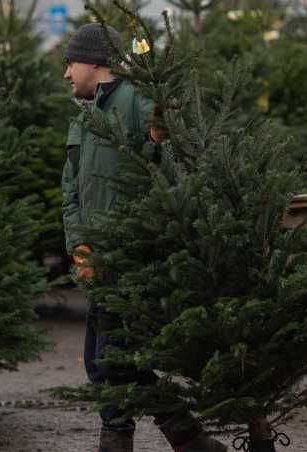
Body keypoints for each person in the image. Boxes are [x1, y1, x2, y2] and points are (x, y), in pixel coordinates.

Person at [61, 23, 228, 452]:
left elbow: (168, 163)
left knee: (109, 360)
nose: (66, 74)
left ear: (93, 61)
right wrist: (79, 245)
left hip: (133, 256)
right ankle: (188, 437)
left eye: (70, 63)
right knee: (106, 360)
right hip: (97, 258)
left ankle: (128, 439)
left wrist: (161, 130)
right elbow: (71, 190)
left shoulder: (136, 102)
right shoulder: (85, 116)